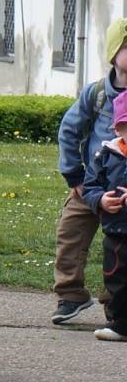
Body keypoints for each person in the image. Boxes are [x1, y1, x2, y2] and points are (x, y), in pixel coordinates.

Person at [54, 19, 125, 323]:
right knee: (69, 232)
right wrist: (75, 176)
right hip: (92, 185)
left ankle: (116, 302)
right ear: (113, 53)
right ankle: (70, 294)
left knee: (120, 247)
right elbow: (69, 130)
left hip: (122, 191)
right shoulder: (96, 93)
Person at [82, 91, 127, 342]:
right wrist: (100, 200)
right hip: (117, 232)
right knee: (116, 278)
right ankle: (120, 323)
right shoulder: (106, 155)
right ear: (119, 128)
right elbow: (90, 188)